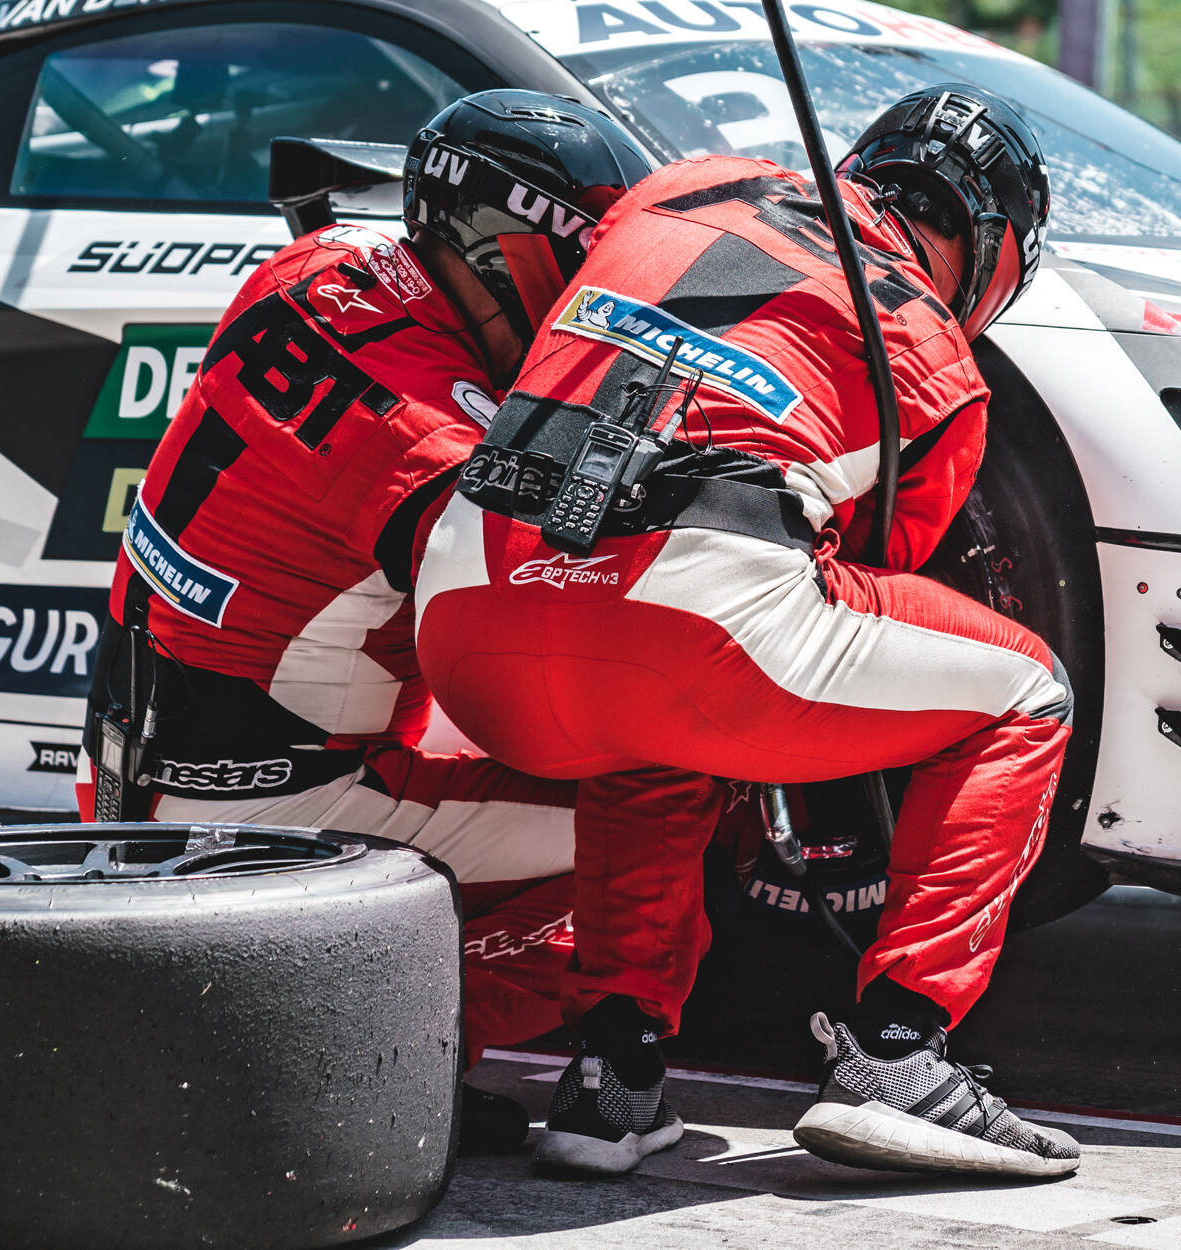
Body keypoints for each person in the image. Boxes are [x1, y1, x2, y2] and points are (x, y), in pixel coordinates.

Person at [413, 86, 1080, 1183]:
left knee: (660, 723)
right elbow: (869, 578)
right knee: (1025, 691)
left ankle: (609, 1077)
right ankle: (900, 1051)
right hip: (681, 624)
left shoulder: (682, 184)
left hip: (467, 612)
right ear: (995, 243)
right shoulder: (934, 358)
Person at [82, 89, 650, 1151]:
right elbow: (573, 612)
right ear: (502, 251)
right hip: (270, 813)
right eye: (575, 281)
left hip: (132, 763)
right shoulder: (430, 437)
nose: (584, 312)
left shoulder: (317, 262)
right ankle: (363, 1057)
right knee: (663, 815)